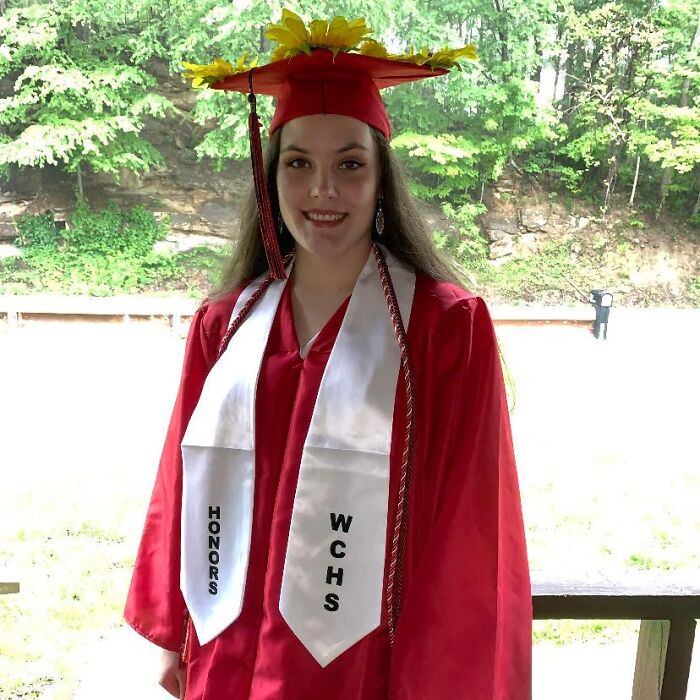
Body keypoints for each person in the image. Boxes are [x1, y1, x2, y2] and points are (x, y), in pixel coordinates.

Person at [124, 9, 532, 699]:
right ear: (270, 175)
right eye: (298, 164)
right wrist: (172, 627)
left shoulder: (441, 329)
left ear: (381, 179)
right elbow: (181, 480)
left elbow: (472, 525)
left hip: (367, 665)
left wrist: (435, 679)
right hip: (228, 648)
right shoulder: (224, 326)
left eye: (349, 163)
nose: (323, 191)